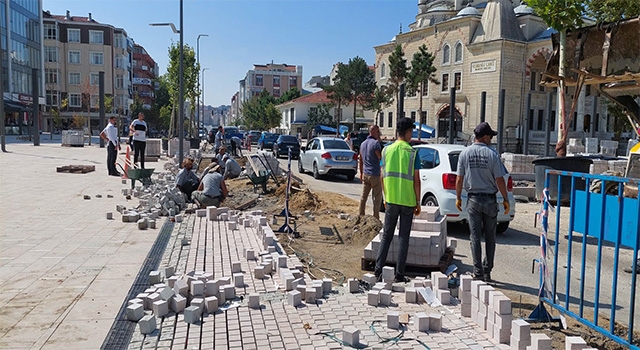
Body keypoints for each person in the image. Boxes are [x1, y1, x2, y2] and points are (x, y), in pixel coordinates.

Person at [455, 122, 510, 282]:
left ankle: (477, 272)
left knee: (475, 237)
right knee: (490, 237)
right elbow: (499, 179)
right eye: (490, 136)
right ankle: (487, 271)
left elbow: (459, 178)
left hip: (473, 200)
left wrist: (458, 197)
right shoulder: (492, 155)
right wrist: (505, 199)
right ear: (485, 137)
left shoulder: (465, 154)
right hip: (490, 200)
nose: (491, 139)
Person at [375, 117, 421, 283]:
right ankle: (399, 275)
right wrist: (417, 202)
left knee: (386, 236)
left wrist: (386, 197)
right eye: (411, 131)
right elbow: (416, 181)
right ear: (408, 132)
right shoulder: (413, 152)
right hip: (408, 201)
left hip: (392, 199)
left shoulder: (387, 150)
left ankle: (378, 270)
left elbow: (382, 176)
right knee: (403, 238)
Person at [358, 125, 383, 220]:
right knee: (377, 199)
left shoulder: (363, 144)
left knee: (363, 197)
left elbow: (360, 160)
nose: (379, 134)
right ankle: (376, 218)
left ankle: (361, 215)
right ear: (374, 132)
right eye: (378, 132)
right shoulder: (375, 144)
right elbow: (380, 158)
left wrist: (361, 173)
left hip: (365, 173)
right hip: (375, 174)